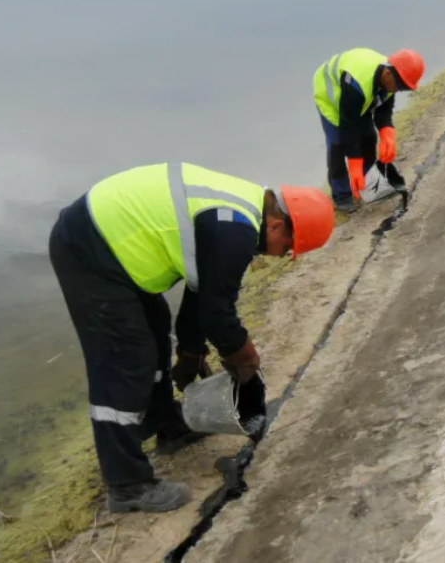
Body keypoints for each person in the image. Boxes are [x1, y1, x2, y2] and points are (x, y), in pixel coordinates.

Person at [47, 162, 335, 514]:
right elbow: (217, 314)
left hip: (111, 246)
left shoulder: (240, 214)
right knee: (124, 360)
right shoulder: (235, 231)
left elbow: (202, 297)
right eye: (284, 248)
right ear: (277, 225)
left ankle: (167, 425)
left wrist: (190, 352)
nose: (276, 257)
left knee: (154, 330)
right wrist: (244, 358)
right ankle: (126, 485)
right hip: (88, 248)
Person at [312, 47, 425, 212]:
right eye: (399, 86)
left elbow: (383, 109)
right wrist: (354, 162)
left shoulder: (392, 78)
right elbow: (349, 124)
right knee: (337, 143)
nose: (398, 90)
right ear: (387, 74)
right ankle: (341, 195)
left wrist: (387, 131)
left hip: (358, 98)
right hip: (330, 95)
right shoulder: (358, 83)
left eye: (404, 87)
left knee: (368, 136)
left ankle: (369, 181)